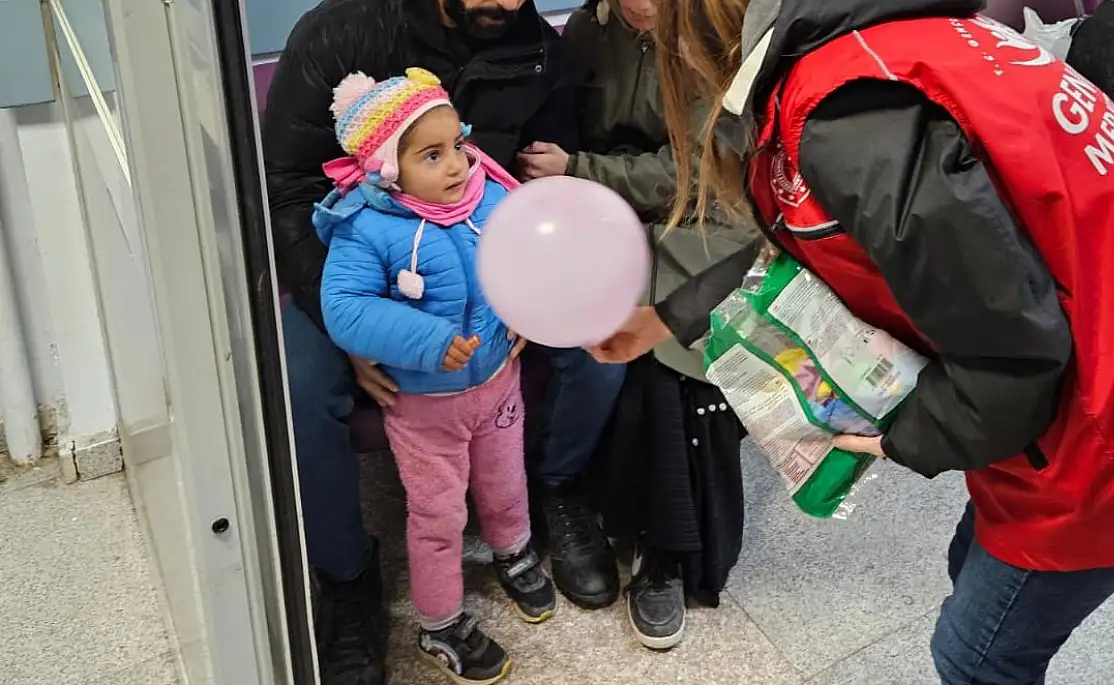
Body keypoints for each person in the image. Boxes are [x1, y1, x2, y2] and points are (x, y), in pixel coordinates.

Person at [591, 0, 1114, 682]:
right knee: (972, 566)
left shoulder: (845, 113)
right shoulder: (895, 43)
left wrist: (903, 435)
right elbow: (822, 236)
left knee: (976, 656)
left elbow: (1012, 355)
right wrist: (668, 315)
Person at [262, 2, 624, 682]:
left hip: (486, 266)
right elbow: (286, 189)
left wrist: (525, 287)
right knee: (299, 388)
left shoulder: (539, 51)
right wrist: (355, 334)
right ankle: (346, 574)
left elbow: (539, 191)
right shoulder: (339, 33)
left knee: (600, 339)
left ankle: (557, 490)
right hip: (355, 268)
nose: (504, 4)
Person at [518, 0, 753, 650]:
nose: (644, 6)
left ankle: (666, 549)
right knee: (620, 327)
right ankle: (625, 519)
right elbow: (574, 136)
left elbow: (706, 167)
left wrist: (584, 171)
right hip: (613, 208)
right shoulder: (587, 33)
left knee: (671, 341)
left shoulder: (716, 26)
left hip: (708, 209)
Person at [316, 68, 554, 684]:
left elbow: (528, 253)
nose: (456, 166)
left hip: (497, 384)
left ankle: (513, 550)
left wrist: (527, 305)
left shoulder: (490, 196)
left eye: (458, 145)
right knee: (437, 516)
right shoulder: (365, 226)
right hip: (425, 408)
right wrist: (428, 341)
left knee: (506, 481)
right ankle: (440, 623)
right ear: (387, 169)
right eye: (431, 155)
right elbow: (346, 308)